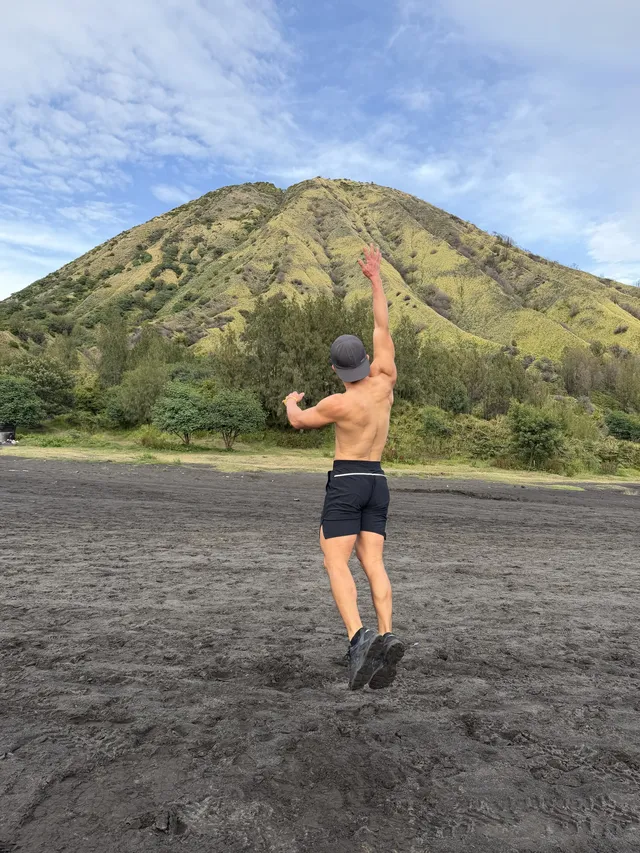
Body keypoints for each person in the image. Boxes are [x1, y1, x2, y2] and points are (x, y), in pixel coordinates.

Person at [283, 244, 405, 690]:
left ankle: (358, 640)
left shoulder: (337, 402)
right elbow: (381, 323)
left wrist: (290, 402)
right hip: (378, 480)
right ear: (367, 363)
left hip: (348, 479)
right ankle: (387, 637)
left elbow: (298, 423)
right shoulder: (386, 380)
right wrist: (375, 279)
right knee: (373, 562)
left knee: (335, 562)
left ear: (336, 369)